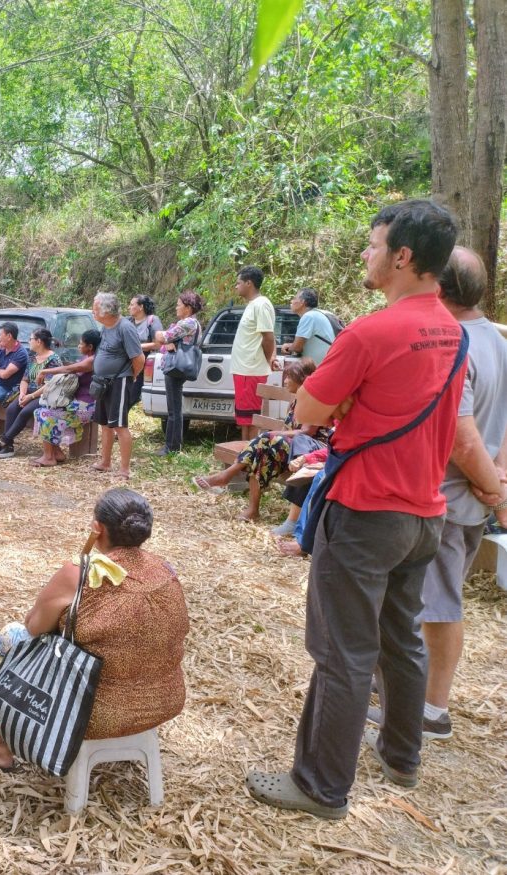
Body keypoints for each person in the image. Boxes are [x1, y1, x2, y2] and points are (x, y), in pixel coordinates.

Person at [245, 199, 497, 820]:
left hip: (365, 511)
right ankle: (402, 756)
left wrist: (341, 399)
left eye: (373, 244)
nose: (366, 253)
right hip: (425, 515)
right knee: (400, 639)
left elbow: (307, 414)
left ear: (402, 257)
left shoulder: (371, 331)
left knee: (342, 652)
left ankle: (321, 785)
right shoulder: (455, 331)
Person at [366, 246, 507, 743]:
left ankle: (431, 708)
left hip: (448, 498)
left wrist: (493, 488)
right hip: (468, 498)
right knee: (423, 602)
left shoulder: (454, 342)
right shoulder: (496, 339)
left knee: (438, 606)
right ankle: (405, 695)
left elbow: (462, 437)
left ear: (438, 288)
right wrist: (499, 479)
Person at [0, 489, 188, 770]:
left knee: (11, 635)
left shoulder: (80, 573)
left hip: (89, 713)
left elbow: (34, 627)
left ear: (97, 528)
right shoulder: (165, 569)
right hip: (164, 702)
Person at [192, 359, 324, 521]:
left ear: (302, 379)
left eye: (290, 376)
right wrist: (275, 436)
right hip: (292, 447)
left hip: (311, 449)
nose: (285, 380)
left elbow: (307, 432)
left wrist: (274, 434)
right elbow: (288, 431)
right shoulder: (297, 399)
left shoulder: (314, 399)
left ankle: (228, 479)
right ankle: (249, 506)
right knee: (262, 451)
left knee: (264, 442)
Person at [89, 292, 144, 477]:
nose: (93, 312)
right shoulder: (106, 327)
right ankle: (105, 462)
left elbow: (139, 358)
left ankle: (125, 469)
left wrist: (131, 377)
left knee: (119, 425)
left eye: (95, 309)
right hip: (103, 383)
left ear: (107, 311)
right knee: (105, 424)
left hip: (119, 381)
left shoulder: (125, 328)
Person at [0, 328, 62, 459]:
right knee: (11, 409)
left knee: (26, 411)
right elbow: (25, 379)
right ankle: (8, 447)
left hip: (45, 395)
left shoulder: (53, 359)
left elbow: (49, 385)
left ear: (39, 341)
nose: (29, 342)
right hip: (28, 393)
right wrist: (22, 394)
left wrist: (30, 396)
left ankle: (4, 441)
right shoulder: (32, 358)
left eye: (31, 339)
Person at [31, 329, 101, 467]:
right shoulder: (87, 357)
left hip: (86, 407)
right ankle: (56, 452)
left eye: (81, 344)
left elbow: (70, 369)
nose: (78, 346)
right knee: (40, 412)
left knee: (48, 416)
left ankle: (48, 457)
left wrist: (45, 371)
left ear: (90, 347)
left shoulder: (93, 360)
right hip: (75, 404)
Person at [153, 291, 204, 455]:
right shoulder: (191, 323)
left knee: (173, 410)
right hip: (177, 367)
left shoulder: (188, 322)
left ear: (188, 308)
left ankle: (172, 447)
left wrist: (163, 338)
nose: (176, 307)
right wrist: (167, 342)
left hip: (175, 368)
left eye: (179, 304)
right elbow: (165, 342)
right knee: (175, 408)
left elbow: (163, 337)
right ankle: (174, 444)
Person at [230, 266, 276, 440]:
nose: (236, 286)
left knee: (252, 418)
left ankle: (249, 458)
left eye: (238, 283)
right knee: (244, 418)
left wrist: (266, 359)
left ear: (249, 283)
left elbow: (269, 337)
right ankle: (244, 455)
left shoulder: (261, 304)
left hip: (251, 370)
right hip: (243, 370)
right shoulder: (252, 305)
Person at [281, 287, 335, 365]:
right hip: (328, 363)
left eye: (295, 298)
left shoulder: (308, 316)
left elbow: (297, 348)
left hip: (319, 367)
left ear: (303, 302)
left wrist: (287, 347)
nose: (291, 301)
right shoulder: (322, 313)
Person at [128, 295, 163, 411]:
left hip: (144, 366)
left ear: (141, 307)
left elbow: (158, 344)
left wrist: (136, 347)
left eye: (132, 304)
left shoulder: (153, 320)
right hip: (127, 365)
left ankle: (120, 426)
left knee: (130, 397)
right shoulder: (128, 321)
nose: (129, 307)